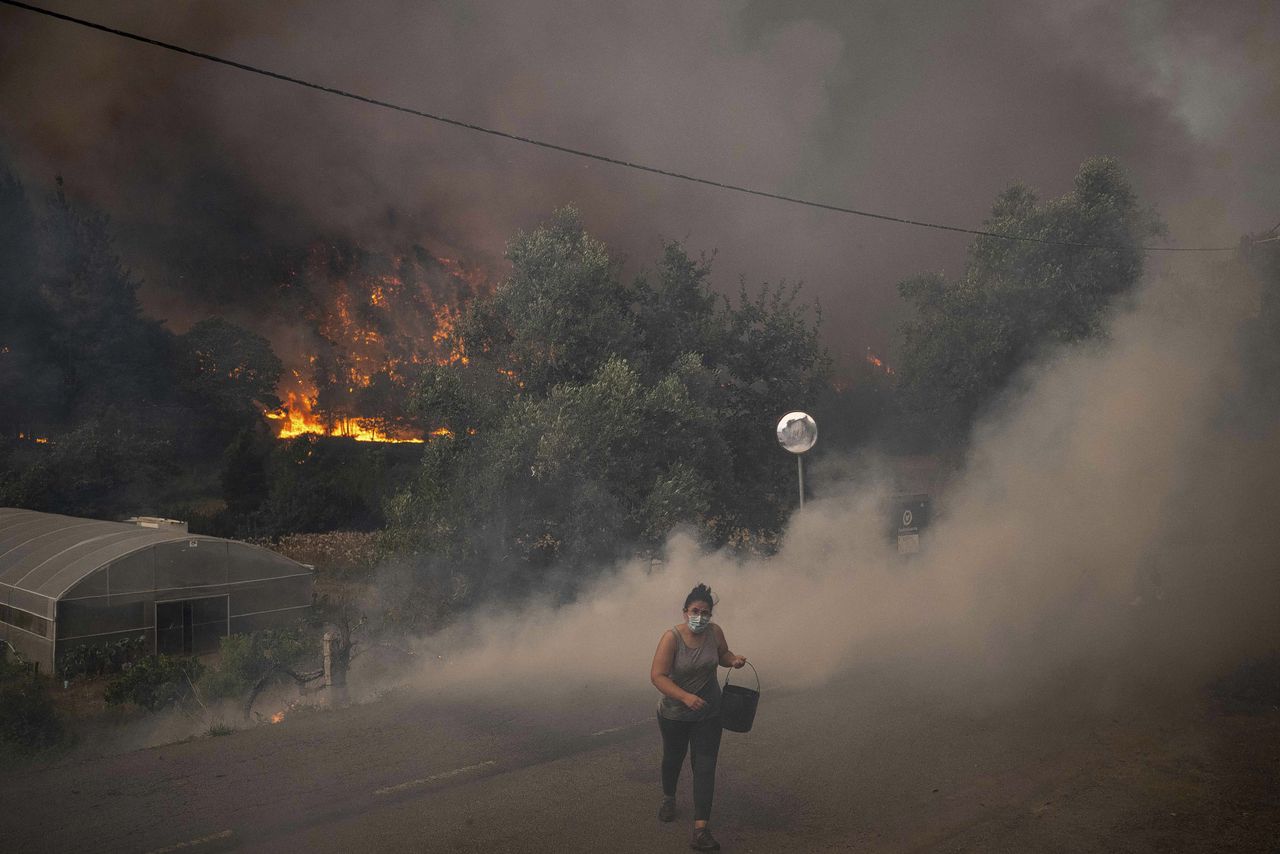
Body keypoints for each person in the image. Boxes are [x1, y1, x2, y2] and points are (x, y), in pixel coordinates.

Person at [650, 583, 747, 852]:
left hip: (709, 712)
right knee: (673, 758)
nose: (700, 617)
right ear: (684, 612)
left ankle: (701, 829)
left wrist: (733, 660)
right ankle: (669, 798)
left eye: (706, 612)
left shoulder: (714, 632)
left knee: (704, 767)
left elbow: (722, 654)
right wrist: (684, 697)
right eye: (695, 611)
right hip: (674, 714)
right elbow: (657, 675)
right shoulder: (671, 638)